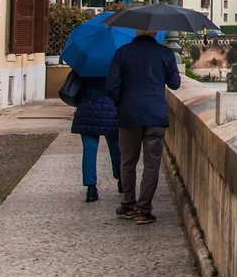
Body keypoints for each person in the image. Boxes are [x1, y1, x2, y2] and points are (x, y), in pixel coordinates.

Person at [105, 29, 180, 225]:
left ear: (137, 30)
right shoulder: (165, 53)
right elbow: (175, 84)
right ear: (155, 32)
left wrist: (122, 102)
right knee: (151, 164)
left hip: (129, 114)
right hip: (155, 115)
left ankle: (128, 205)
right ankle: (144, 210)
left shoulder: (123, 52)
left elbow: (111, 85)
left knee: (127, 162)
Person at [71, 75, 121, 203]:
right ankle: (122, 180)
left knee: (89, 151)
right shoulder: (114, 62)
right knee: (116, 149)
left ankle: (91, 189)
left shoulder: (86, 64)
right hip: (111, 111)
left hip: (87, 110)